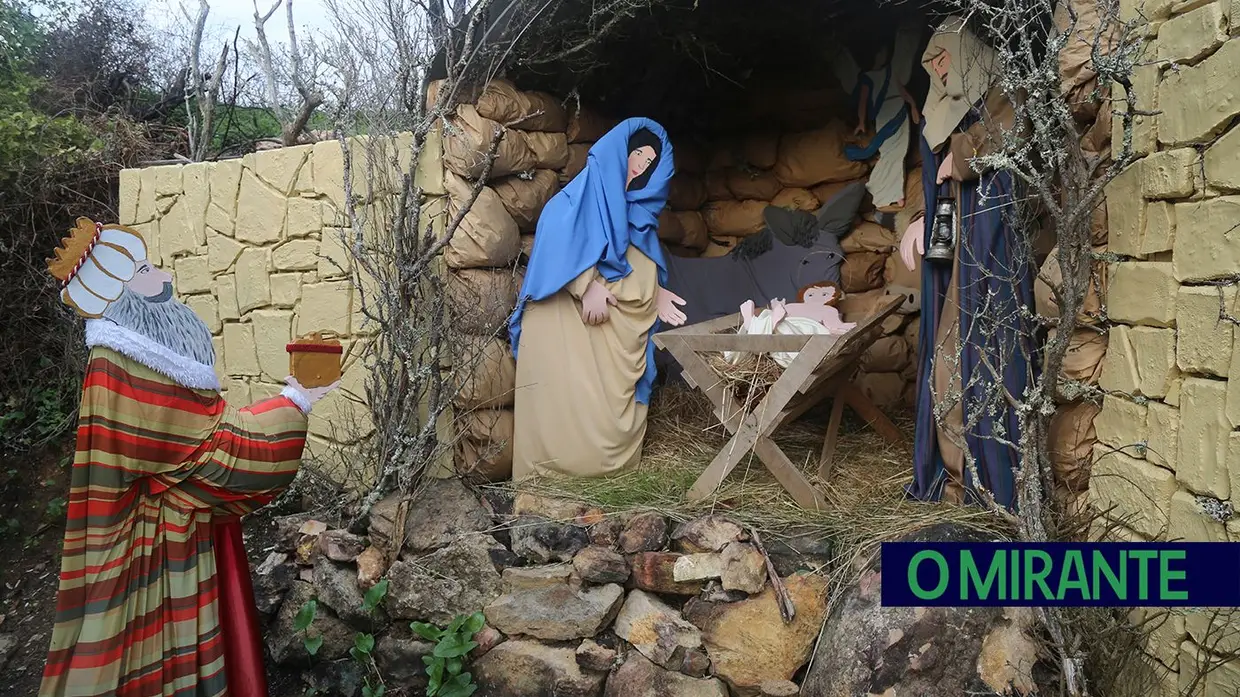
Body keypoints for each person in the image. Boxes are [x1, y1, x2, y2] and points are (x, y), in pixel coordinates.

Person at [40, 218, 337, 697]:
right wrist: (296, 401)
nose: (163, 277)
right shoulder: (126, 364)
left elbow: (199, 436)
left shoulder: (142, 355)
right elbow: (212, 451)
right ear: (120, 295)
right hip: (158, 545)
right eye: (142, 271)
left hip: (167, 525)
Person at [898, 17, 1034, 509]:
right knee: (945, 359)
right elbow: (932, 183)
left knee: (986, 352)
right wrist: (920, 217)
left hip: (988, 246)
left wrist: (966, 150)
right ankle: (952, 476)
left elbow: (1014, 135)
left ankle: (991, 487)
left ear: (966, 50)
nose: (937, 68)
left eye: (944, 56)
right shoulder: (935, 113)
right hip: (951, 252)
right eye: (930, 62)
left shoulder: (1002, 92)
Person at [509, 119, 685, 479]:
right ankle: (549, 482)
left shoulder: (641, 218)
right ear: (619, 151)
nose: (640, 165)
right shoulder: (572, 202)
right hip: (563, 327)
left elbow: (636, 266)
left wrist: (655, 292)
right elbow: (554, 247)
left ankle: (606, 480)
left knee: (607, 416)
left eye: (650, 161)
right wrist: (584, 284)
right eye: (637, 153)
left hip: (612, 340)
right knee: (563, 407)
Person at [829, 18, 923, 213]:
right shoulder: (868, 77)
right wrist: (862, 122)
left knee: (899, 154)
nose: (884, 55)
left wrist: (913, 106)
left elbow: (901, 90)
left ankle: (896, 194)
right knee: (891, 153)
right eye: (880, 52)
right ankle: (882, 192)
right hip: (885, 115)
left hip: (900, 112)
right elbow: (863, 100)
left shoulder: (890, 71)